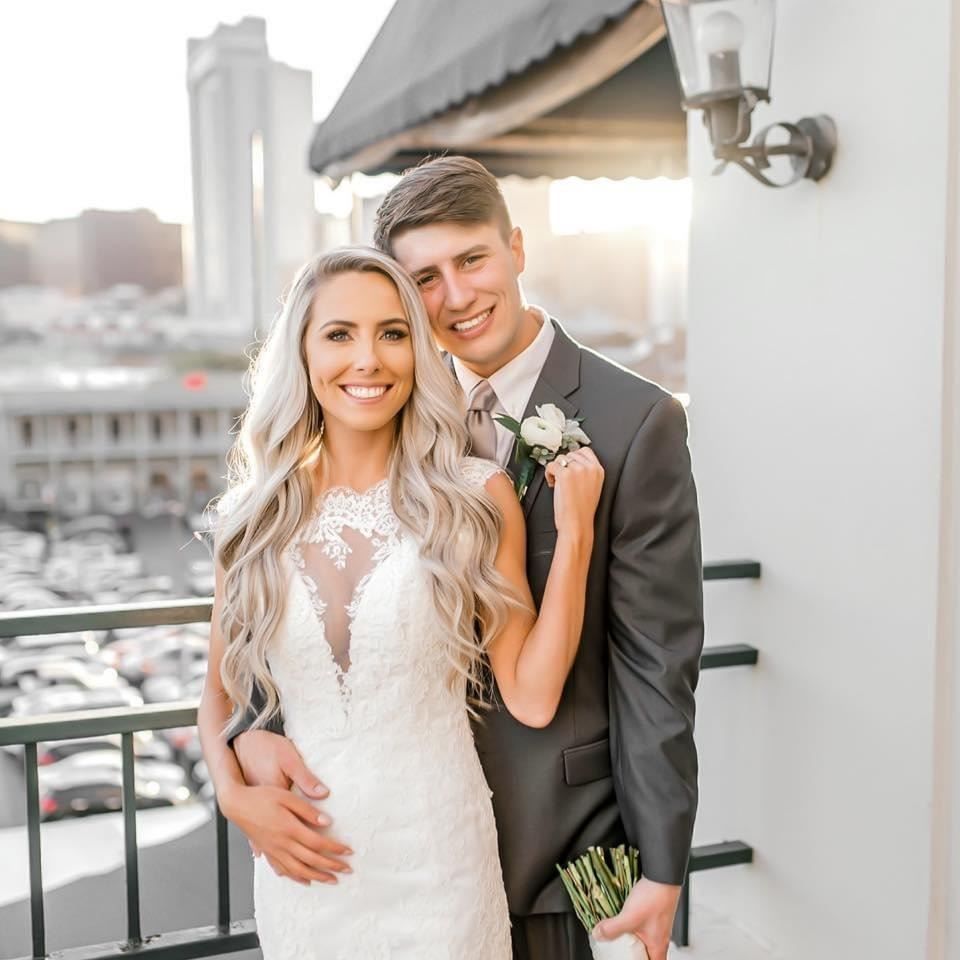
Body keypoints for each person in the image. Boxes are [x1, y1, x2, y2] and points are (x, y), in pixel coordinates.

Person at [229, 157, 704, 960]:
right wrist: (243, 751)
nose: (456, 296)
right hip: (366, 841)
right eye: (426, 278)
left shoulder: (635, 420)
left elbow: (657, 661)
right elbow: (298, 613)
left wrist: (661, 862)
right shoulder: (385, 397)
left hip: (560, 840)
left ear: (516, 249)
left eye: (473, 260)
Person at [197, 245, 604, 960]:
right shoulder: (253, 516)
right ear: (302, 352)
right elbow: (219, 691)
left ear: (418, 350)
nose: (368, 360)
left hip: (439, 864)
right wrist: (232, 795)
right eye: (339, 334)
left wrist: (575, 536)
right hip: (305, 869)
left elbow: (534, 698)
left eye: (392, 333)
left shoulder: (475, 497)